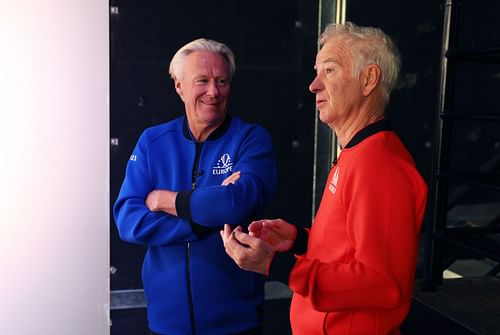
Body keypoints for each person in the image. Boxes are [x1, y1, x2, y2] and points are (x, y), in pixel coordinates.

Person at [221, 22, 428, 335]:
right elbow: (353, 250)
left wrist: (275, 265)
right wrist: (300, 240)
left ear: (369, 79)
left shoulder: (378, 164)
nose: (313, 85)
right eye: (317, 71)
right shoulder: (358, 152)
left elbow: (382, 283)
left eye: (329, 70)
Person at [113, 38, 277, 335]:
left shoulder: (251, 139)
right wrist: (205, 222)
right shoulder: (152, 142)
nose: (213, 92)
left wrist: (165, 201)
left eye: (222, 81)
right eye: (202, 81)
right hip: (165, 325)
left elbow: (239, 202)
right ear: (179, 86)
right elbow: (128, 220)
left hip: (237, 325)